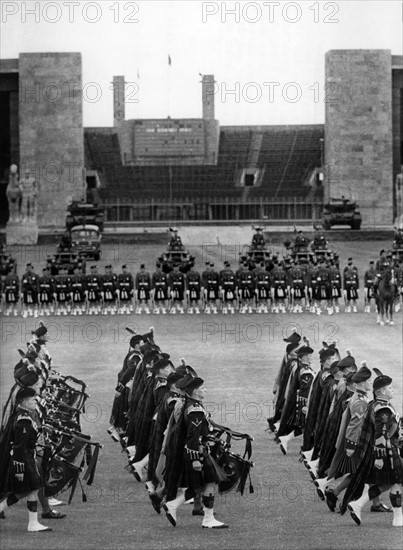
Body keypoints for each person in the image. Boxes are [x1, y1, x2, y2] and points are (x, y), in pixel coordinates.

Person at [163, 377, 228, 529]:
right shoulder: (196, 411)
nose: (205, 390)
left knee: (199, 486)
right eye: (203, 388)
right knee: (209, 482)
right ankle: (208, 519)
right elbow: (192, 436)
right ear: (195, 392)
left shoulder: (192, 405)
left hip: (198, 451)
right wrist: (195, 459)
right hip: (198, 453)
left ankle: (172, 505)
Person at [346, 374, 403, 527]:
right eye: (390, 388)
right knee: (397, 481)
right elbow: (380, 433)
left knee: (386, 484)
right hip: (386, 452)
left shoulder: (375, 404)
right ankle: (398, 517)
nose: (393, 390)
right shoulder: (382, 409)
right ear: (382, 391)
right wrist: (379, 457)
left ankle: (357, 504)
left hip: (385, 450)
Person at [0, 387, 52, 532]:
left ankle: (33, 523)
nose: (35, 401)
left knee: (30, 490)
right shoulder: (24, 420)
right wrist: (19, 470)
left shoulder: (23, 415)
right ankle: (32, 523)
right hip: (23, 459)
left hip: (27, 457)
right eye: (32, 399)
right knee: (32, 489)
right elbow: (18, 447)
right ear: (23, 402)